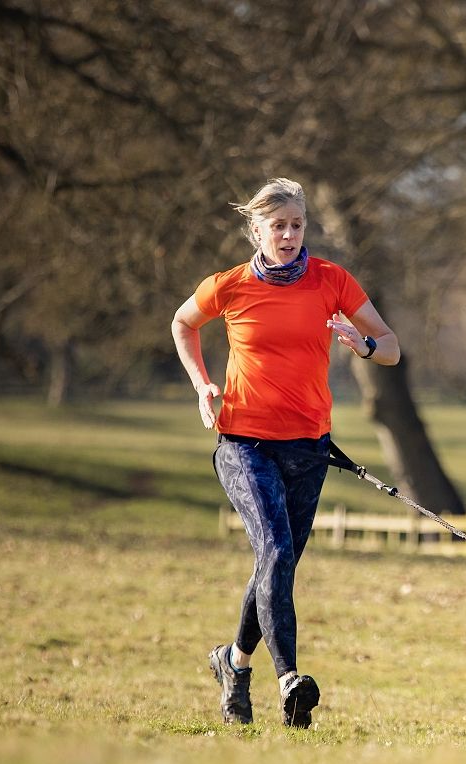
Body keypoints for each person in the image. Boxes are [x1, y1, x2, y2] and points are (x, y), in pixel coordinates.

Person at [171, 177, 400, 727]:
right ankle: (289, 679)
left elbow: (391, 347)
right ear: (256, 230)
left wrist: (362, 344)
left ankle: (233, 663)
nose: (290, 234)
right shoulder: (229, 286)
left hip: (308, 446)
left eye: (297, 225)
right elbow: (182, 323)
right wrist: (202, 384)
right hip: (244, 442)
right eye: (279, 225)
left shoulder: (331, 280)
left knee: (278, 562)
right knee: (274, 549)